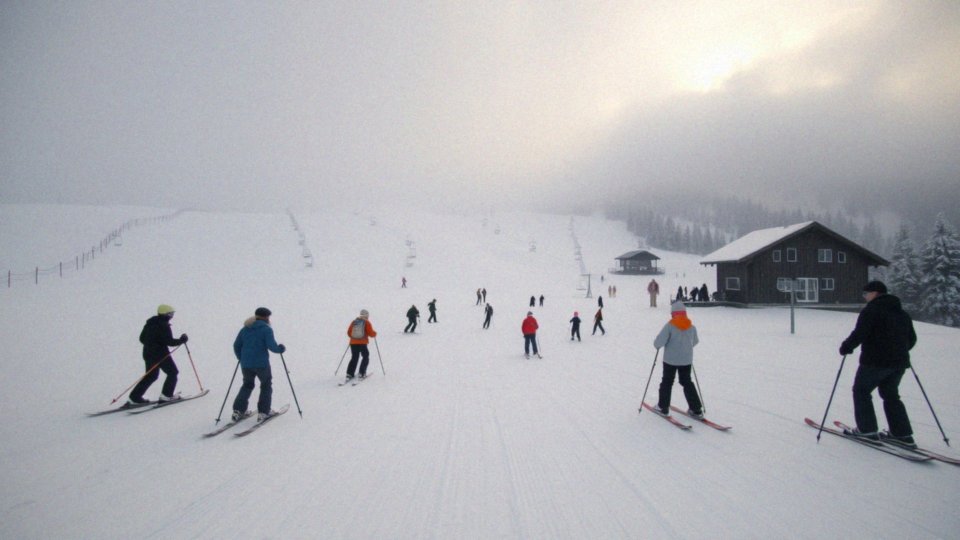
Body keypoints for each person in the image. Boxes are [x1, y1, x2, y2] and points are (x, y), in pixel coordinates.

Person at [839, 281, 917, 447]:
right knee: (890, 395)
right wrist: (898, 350)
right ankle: (902, 434)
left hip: (875, 361)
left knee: (861, 391)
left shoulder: (872, 311)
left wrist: (846, 346)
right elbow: (911, 339)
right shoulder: (902, 313)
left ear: (875, 293)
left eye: (866, 294)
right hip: (899, 363)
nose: (865, 297)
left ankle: (867, 430)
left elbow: (860, 333)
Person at [231, 307, 286, 422]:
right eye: (268, 317)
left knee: (247, 385)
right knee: (266, 385)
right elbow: (272, 346)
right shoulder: (266, 329)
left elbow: (236, 345)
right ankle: (263, 412)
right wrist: (280, 349)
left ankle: (238, 410)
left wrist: (241, 358)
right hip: (261, 364)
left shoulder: (245, 329)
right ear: (266, 317)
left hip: (246, 364)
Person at [128, 304, 188, 405]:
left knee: (151, 376)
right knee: (173, 372)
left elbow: (142, 338)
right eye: (171, 314)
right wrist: (182, 340)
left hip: (147, 353)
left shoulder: (150, 323)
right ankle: (166, 396)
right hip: (160, 354)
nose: (172, 316)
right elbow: (169, 342)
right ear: (165, 314)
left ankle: (135, 397)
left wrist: (152, 344)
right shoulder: (163, 325)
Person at [652, 301, 703, 418]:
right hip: (686, 360)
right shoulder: (691, 326)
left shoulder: (670, 325)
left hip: (670, 360)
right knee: (686, 381)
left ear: (673, 314)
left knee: (667, 381)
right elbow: (695, 341)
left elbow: (659, 342)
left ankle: (663, 407)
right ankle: (696, 409)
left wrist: (657, 345)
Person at [345, 309, 377, 382]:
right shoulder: (367, 322)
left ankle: (349, 374)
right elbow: (371, 333)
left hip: (353, 343)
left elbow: (349, 332)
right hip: (362, 342)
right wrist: (375, 333)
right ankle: (362, 373)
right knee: (365, 356)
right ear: (367, 316)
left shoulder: (354, 322)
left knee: (354, 357)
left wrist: (354, 338)